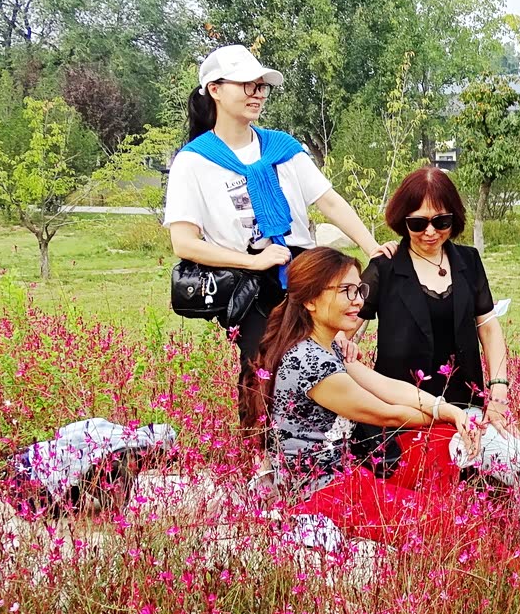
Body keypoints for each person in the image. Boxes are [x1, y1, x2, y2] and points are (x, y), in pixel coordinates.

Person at [163, 44, 396, 381]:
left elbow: (328, 201)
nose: (257, 94)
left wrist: (371, 246)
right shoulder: (194, 161)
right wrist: (255, 262)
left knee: (325, 363)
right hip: (250, 281)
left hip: (304, 272)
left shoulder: (283, 147)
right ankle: (260, 420)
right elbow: (184, 243)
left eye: (261, 86)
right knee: (264, 371)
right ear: (215, 89)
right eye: (247, 85)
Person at [356, 166, 520, 553]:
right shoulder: (385, 268)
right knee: (434, 508)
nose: (430, 232)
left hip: (467, 408)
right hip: (405, 415)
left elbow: (489, 330)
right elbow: (348, 322)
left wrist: (498, 396)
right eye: (417, 223)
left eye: (441, 221)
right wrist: (345, 349)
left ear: (454, 218)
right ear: (402, 220)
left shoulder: (468, 261)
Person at [244, 247, 480, 545]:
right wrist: (447, 413)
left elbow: (387, 386)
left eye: (359, 290)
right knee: (449, 524)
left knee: (442, 437)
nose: (358, 300)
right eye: (346, 291)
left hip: (348, 475)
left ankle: (421, 520)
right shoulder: (309, 361)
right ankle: (426, 531)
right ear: (310, 300)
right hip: (323, 492)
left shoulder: (328, 347)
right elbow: (386, 412)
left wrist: (450, 412)